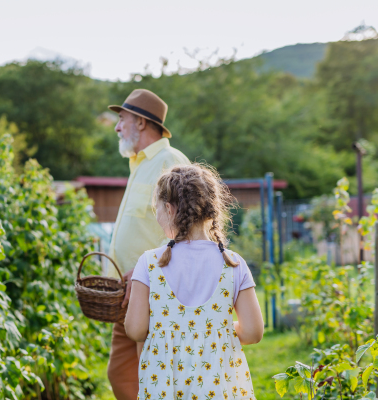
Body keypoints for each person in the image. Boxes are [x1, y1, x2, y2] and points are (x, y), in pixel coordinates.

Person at [124, 163, 264, 400]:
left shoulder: (150, 263)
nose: (156, 215)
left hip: (165, 385)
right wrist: (212, 332)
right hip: (219, 386)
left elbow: (136, 329)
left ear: (169, 209)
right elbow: (252, 332)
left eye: (155, 209)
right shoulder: (233, 263)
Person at [107, 89, 190, 400]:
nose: (117, 127)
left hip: (154, 292)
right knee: (122, 374)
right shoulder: (139, 163)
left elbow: (184, 232)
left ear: (140, 122)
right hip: (129, 293)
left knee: (152, 376)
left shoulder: (171, 161)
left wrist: (148, 273)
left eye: (121, 119)